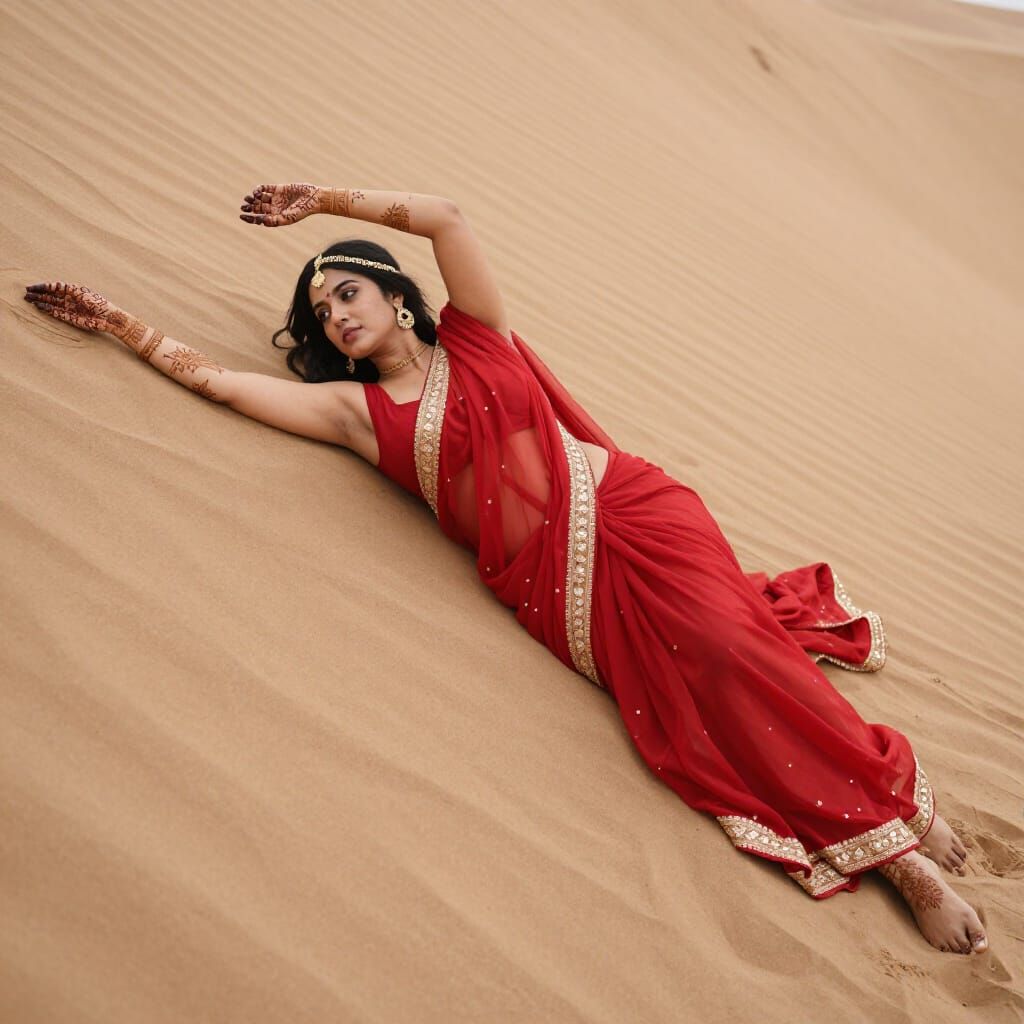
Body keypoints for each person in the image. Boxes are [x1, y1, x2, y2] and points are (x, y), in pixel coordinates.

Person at [24, 183, 988, 956]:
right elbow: (220, 384)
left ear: (395, 295)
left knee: (730, 643)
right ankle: (881, 798)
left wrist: (321, 203)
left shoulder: (478, 330)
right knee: (694, 694)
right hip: (561, 596)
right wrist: (120, 324)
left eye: (346, 293)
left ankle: (902, 853)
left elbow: (448, 216)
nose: (336, 316)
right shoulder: (360, 418)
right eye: (322, 313)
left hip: (639, 514)